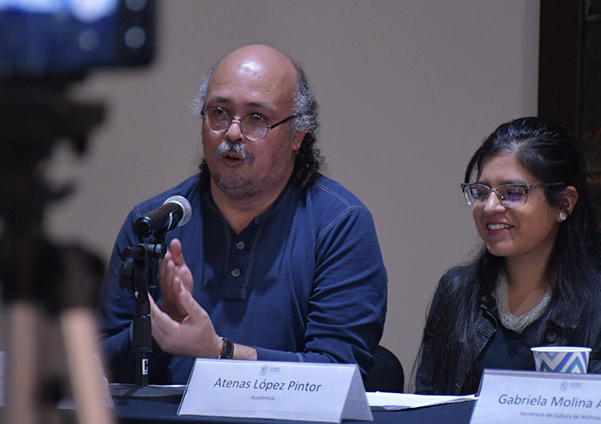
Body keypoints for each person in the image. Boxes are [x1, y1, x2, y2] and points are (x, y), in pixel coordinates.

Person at [97, 44, 387, 385]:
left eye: (257, 118)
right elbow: (95, 372)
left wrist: (220, 352)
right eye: (219, 112)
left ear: (297, 135)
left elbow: (338, 374)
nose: (232, 132)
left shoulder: (340, 225)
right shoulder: (154, 223)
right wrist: (157, 328)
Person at [415, 117, 601, 395]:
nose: (490, 207)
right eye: (481, 192)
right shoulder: (456, 291)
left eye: (512, 193)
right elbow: (427, 406)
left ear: (564, 204)